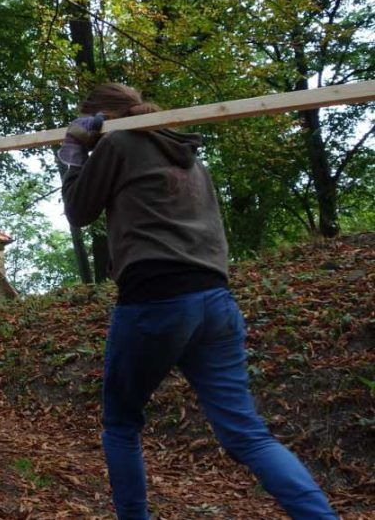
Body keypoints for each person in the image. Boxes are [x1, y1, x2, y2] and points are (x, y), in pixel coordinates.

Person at [59, 83, 336, 520]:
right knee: (247, 433)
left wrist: (74, 152)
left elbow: (79, 212)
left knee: (121, 423)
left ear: (100, 119)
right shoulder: (188, 154)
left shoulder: (120, 143)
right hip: (215, 301)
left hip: (156, 299)